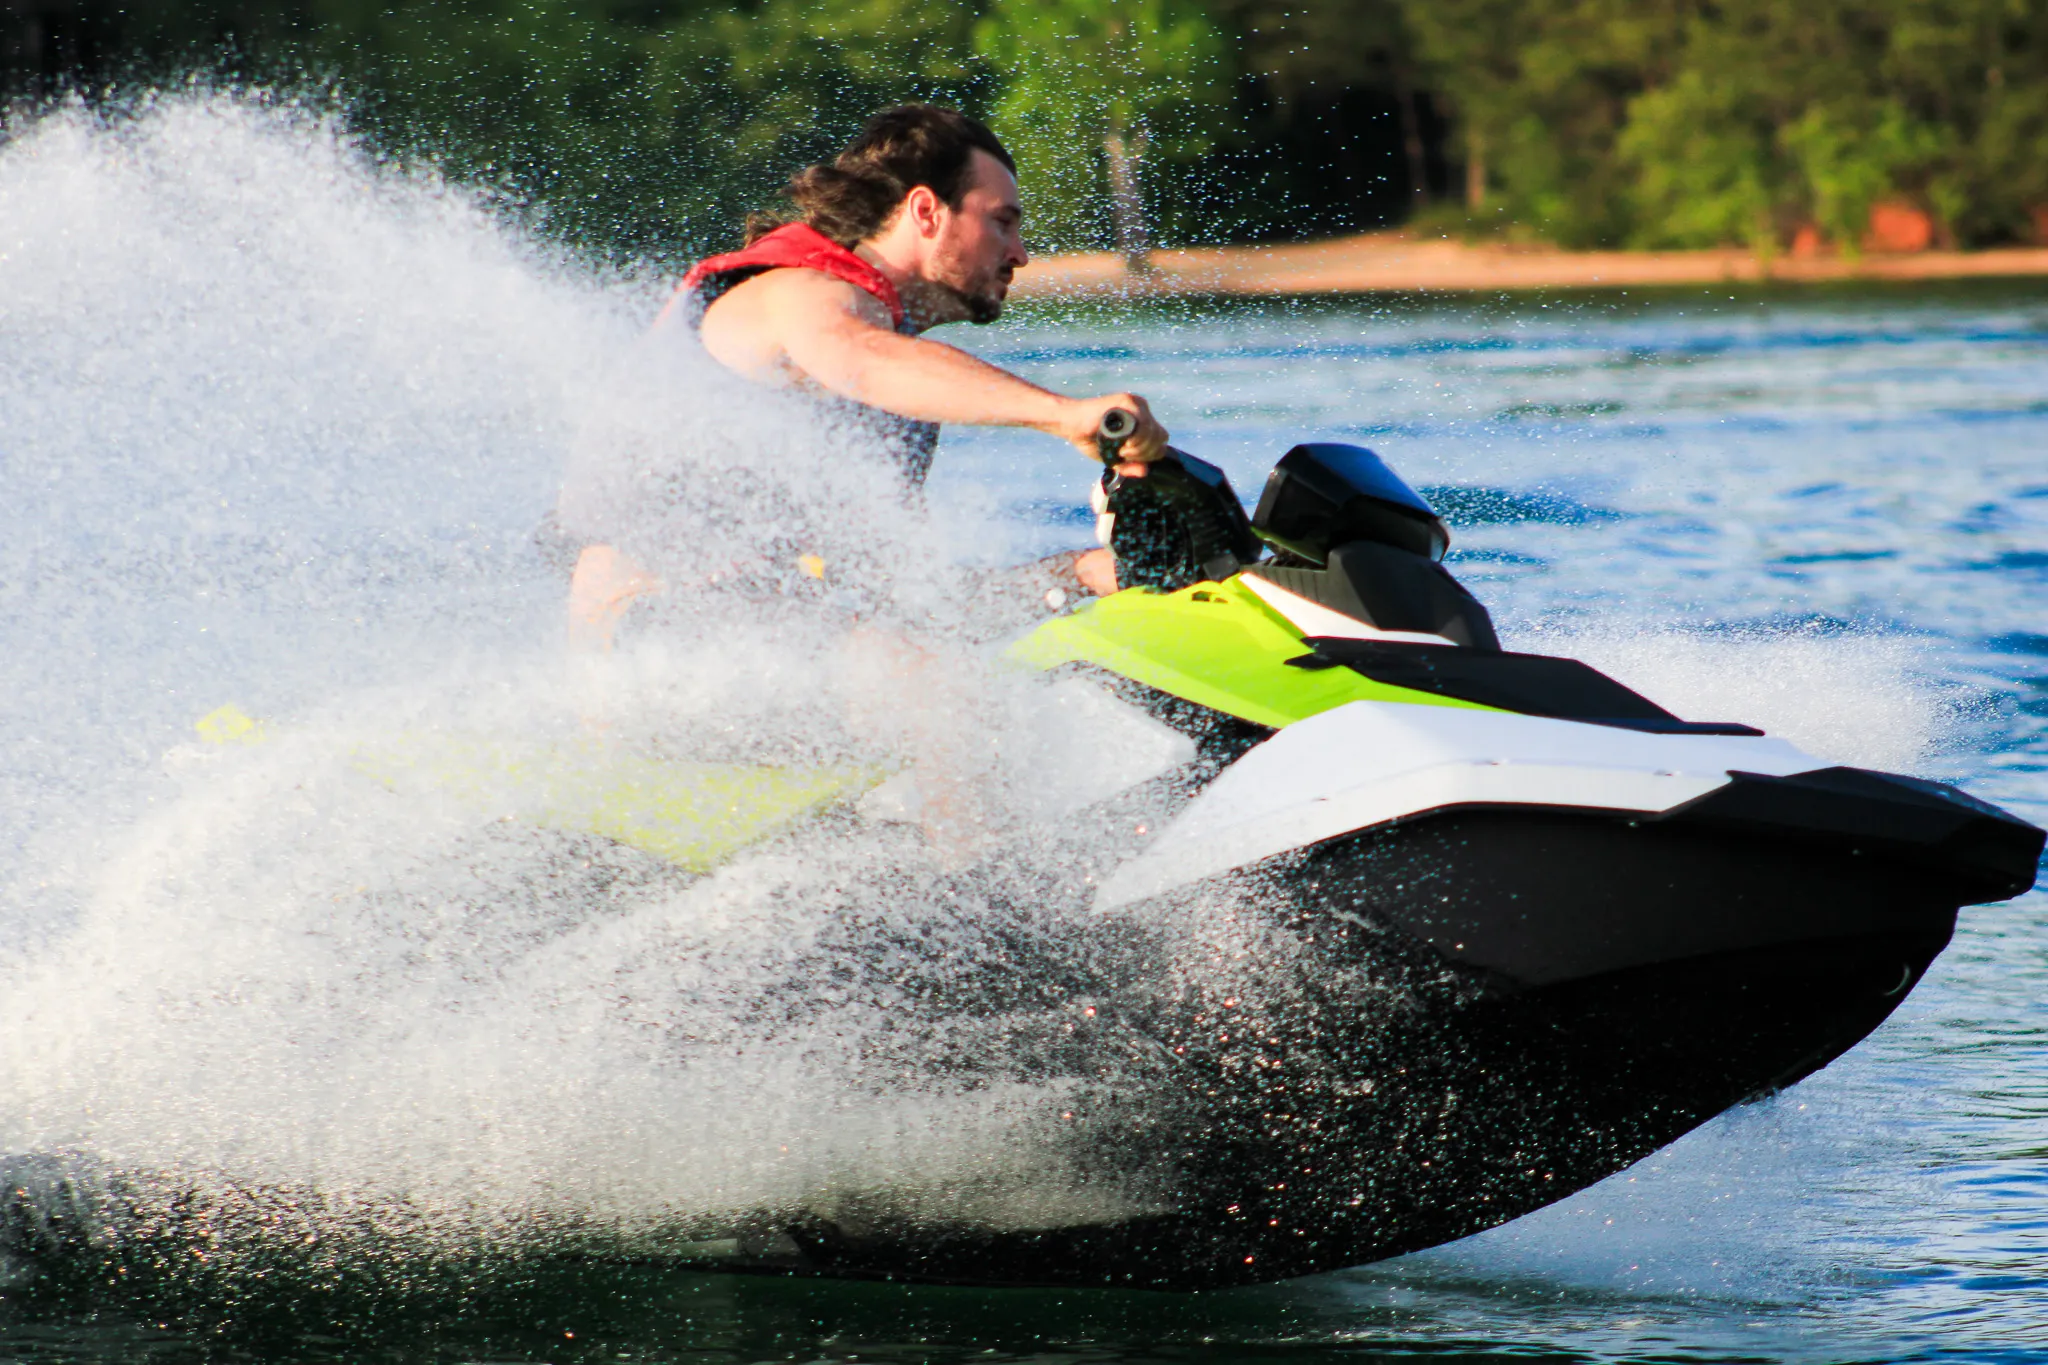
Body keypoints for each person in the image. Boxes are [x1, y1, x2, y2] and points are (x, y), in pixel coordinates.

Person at [558, 104, 1168, 643]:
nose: (1020, 253)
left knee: (915, 654)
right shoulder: (799, 294)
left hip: (760, 666)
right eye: (1001, 222)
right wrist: (1062, 414)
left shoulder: (896, 393)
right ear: (926, 212)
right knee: (901, 667)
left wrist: (1085, 574)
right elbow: (860, 357)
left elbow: (909, 610)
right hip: (657, 660)